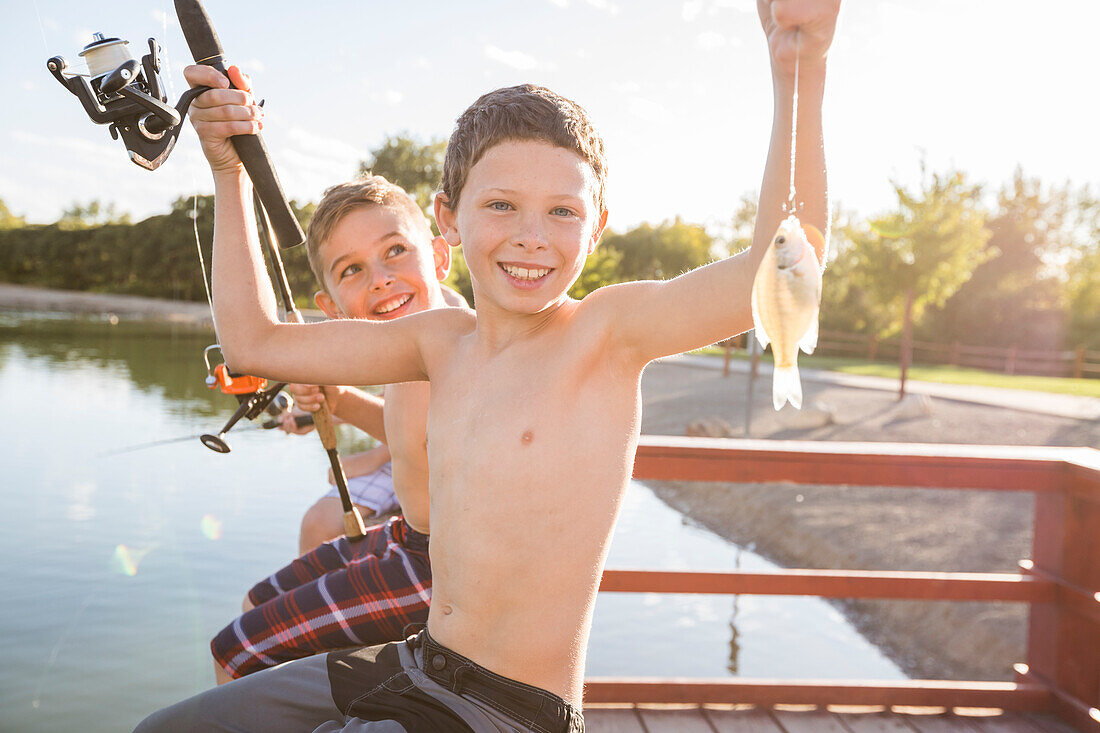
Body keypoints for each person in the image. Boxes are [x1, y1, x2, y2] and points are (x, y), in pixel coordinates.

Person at [138, 1, 839, 729]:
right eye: (502, 204)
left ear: (596, 226)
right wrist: (228, 171)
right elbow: (255, 343)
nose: (532, 237)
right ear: (448, 216)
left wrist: (801, 68)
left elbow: (784, 266)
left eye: (563, 212)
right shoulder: (439, 342)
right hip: (418, 660)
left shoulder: (605, 335)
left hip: (507, 708)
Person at [208, 176, 469, 685]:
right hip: (411, 540)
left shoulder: (447, 341)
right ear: (331, 308)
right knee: (257, 601)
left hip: (444, 571)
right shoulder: (428, 321)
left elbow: (248, 344)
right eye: (352, 269)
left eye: (396, 250)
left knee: (233, 654)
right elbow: (411, 440)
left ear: (439, 258)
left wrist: (227, 170)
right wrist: (340, 399)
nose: (381, 279)